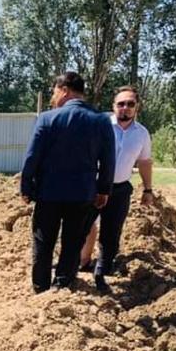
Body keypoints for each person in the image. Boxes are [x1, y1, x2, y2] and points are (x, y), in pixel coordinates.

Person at [21, 72, 115, 293]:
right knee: (73, 242)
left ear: (64, 90)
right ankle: (62, 285)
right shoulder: (100, 120)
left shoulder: (47, 118)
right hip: (82, 194)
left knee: (43, 242)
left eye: (54, 92)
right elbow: (108, 160)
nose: (53, 97)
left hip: (48, 193)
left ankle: (41, 288)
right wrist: (104, 190)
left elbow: (32, 156)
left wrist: (26, 186)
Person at [78, 86, 154, 293]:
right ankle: (72, 268)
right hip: (92, 187)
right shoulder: (99, 126)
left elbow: (144, 162)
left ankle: (101, 274)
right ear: (113, 106)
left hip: (120, 190)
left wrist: (148, 190)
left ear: (137, 107)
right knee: (80, 228)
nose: (125, 108)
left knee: (111, 234)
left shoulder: (142, 134)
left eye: (130, 104)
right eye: (121, 104)